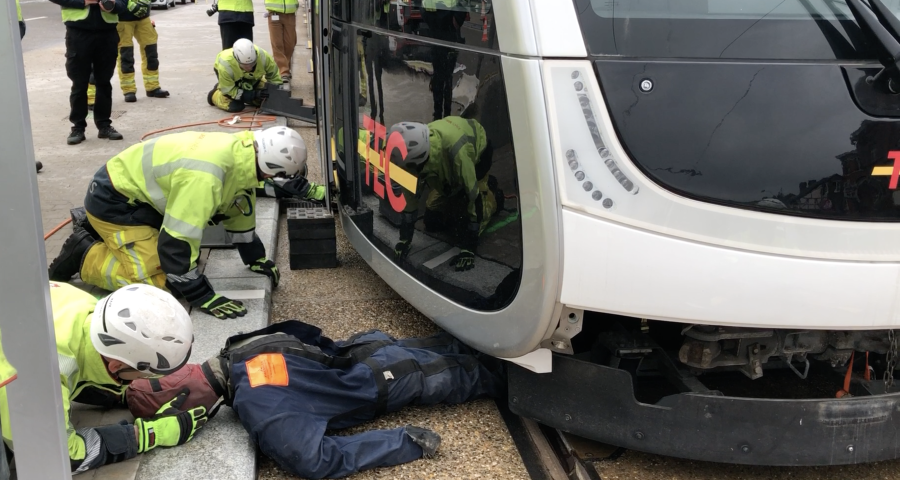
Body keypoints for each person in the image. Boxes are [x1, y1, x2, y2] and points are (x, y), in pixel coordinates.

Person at [129, 320, 503, 479]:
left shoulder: (259, 406)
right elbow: (309, 337)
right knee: (478, 345)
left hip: (395, 379)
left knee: (495, 377)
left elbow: (316, 461)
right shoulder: (238, 346)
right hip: (375, 348)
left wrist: (405, 441)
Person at [46, 126, 307, 319]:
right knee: (162, 285)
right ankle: (84, 253)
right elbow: (176, 241)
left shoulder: (244, 154)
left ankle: (108, 237)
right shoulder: (205, 177)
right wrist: (200, 294)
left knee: (184, 265)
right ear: (270, 170)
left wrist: (254, 257)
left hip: (140, 199)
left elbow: (238, 207)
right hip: (115, 203)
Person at [0, 282, 206, 474]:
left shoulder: (89, 308)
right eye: (145, 375)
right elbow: (55, 457)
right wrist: (147, 435)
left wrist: (119, 396)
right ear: (116, 366)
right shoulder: (42, 375)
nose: (141, 380)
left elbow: (85, 364)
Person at [389, 117, 499, 271]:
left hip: (477, 155)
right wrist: (404, 239)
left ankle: (493, 195)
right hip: (446, 165)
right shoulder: (412, 155)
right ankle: (457, 191)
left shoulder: (458, 153)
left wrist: (469, 248)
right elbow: (409, 196)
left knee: (465, 225)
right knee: (432, 221)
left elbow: (473, 196)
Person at [49, 0, 139, 145]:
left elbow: (123, 4)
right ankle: (78, 127)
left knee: (104, 83)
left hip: (107, 34)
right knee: (79, 83)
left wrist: (113, 5)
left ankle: (104, 125)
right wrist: (84, 1)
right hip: (78, 33)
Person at [208, 39, 281, 113]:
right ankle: (215, 94)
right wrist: (252, 95)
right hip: (233, 82)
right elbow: (229, 90)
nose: (249, 68)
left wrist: (275, 94)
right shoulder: (225, 65)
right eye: (245, 65)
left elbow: (275, 77)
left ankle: (248, 93)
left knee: (264, 99)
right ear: (236, 59)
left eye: (252, 64)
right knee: (236, 106)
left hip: (253, 78)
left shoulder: (264, 57)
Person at [116, 0, 169, 102]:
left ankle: (152, 87)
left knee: (151, 52)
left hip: (143, 17)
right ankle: (129, 90)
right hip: (123, 19)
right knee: (125, 55)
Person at [265, 0, 298, 83]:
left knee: (290, 44)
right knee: (277, 44)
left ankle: (285, 67)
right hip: (274, 12)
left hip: (290, 13)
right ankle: (283, 71)